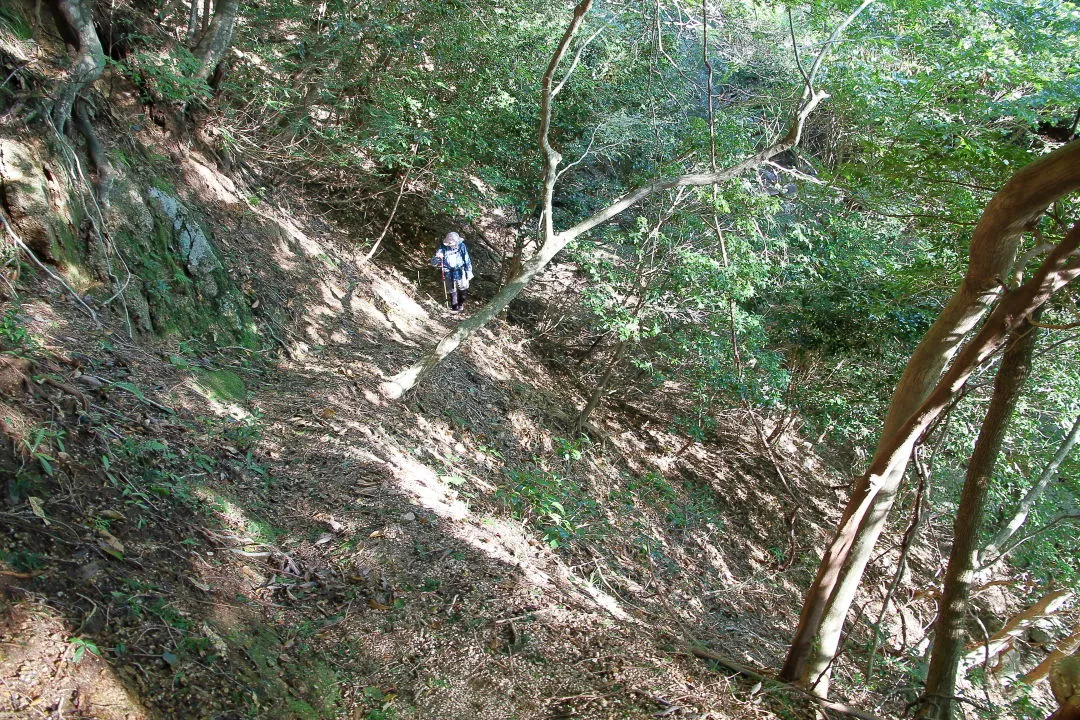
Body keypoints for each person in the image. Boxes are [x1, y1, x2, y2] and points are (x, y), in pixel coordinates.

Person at [430, 232, 473, 312]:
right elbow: (433, 262)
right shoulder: (443, 248)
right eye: (449, 243)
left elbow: (467, 259)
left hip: (460, 270)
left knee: (463, 289)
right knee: (452, 290)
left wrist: (469, 271)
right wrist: (437, 257)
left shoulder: (462, 246)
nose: (451, 244)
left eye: (452, 243)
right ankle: (454, 308)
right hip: (448, 271)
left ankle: (460, 304)